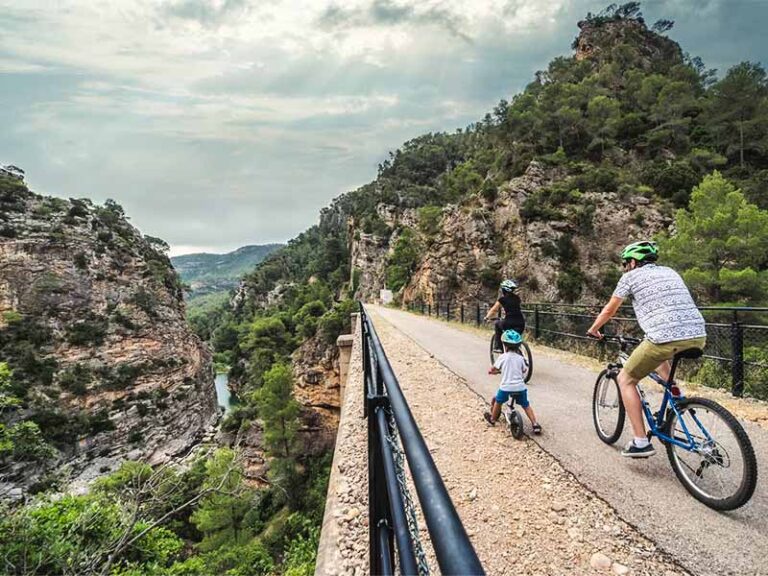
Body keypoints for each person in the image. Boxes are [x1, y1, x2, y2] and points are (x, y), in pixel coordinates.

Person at [587, 240, 707, 458]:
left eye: (626, 263)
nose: (625, 267)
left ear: (633, 262)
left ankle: (641, 442)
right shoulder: (670, 271)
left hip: (663, 337)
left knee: (626, 379)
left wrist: (594, 329)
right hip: (698, 335)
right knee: (661, 356)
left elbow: (610, 309)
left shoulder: (629, 277)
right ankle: (677, 396)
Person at [484, 329, 542, 434]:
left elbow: (494, 369)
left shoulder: (502, 357)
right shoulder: (521, 358)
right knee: (526, 405)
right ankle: (535, 424)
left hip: (506, 387)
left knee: (498, 401)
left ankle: (492, 419)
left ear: (504, 345)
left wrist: (493, 371)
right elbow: (524, 369)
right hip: (520, 387)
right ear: (519, 346)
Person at [484, 279, 525, 351]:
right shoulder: (517, 298)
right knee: (516, 335)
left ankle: (498, 347)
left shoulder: (502, 299)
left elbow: (494, 310)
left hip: (509, 322)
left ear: (504, 290)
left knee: (497, 324)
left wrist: (487, 317)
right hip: (521, 322)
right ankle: (517, 348)